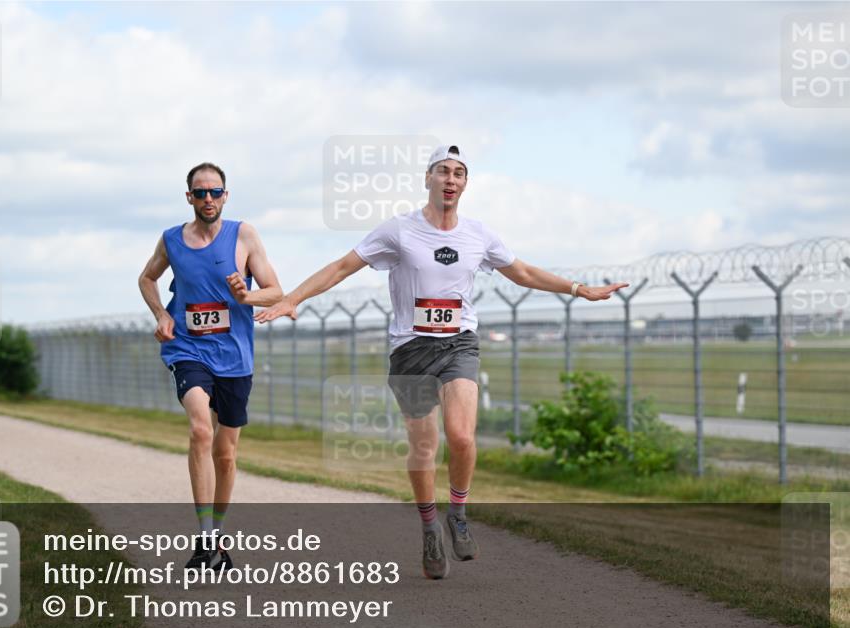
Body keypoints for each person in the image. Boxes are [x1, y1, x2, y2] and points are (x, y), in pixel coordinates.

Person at [256, 145, 627, 579]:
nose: (451, 179)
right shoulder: (398, 231)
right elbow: (342, 267)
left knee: (462, 437)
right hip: (410, 350)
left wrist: (580, 289)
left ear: (465, 184)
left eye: (459, 173)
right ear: (427, 179)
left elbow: (523, 273)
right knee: (425, 447)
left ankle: (459, 513)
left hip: (458, 344)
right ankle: (430, 527)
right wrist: (290, 299)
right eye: (443, 172)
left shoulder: (478, 235)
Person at [139, 161, 282, 571]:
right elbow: (146, 279)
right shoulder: (171, 240)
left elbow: (275, 292)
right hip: (188, 349)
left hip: (234, 357)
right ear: (189, 197)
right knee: (201, 428)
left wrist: (246, 295)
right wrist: (162, 317)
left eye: (214, 192)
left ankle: (217, 538)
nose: (207, 199)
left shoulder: (245, 235)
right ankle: (204, 539)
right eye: (199, 193)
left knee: (226, 453)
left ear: (225, 195)